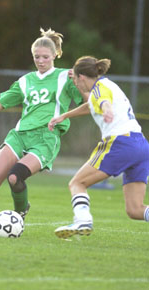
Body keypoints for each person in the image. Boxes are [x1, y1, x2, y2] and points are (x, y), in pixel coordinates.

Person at [0, 28, 86, 235]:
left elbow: (87, 101)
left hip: (45, 138)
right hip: (20, 135)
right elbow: (0, 103)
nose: (40, 61)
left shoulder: (65, 77)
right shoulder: (25, 81)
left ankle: (20, 211)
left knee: (15, 178)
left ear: (54, 56)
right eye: (36, 57)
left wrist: (81, 82)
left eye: (45, 57)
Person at [48, 56, 149, 239]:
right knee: (135, 209)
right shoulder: (107, 85)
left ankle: (82, 220)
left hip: (121, 143)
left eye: (75, 80)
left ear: (82, 78)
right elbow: (92, 105)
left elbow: (102, 101)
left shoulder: (99, 90)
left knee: (77, 183)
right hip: (141, 145)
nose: (76, 85)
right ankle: (82, 220)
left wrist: (107, 109)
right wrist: (65, 116)